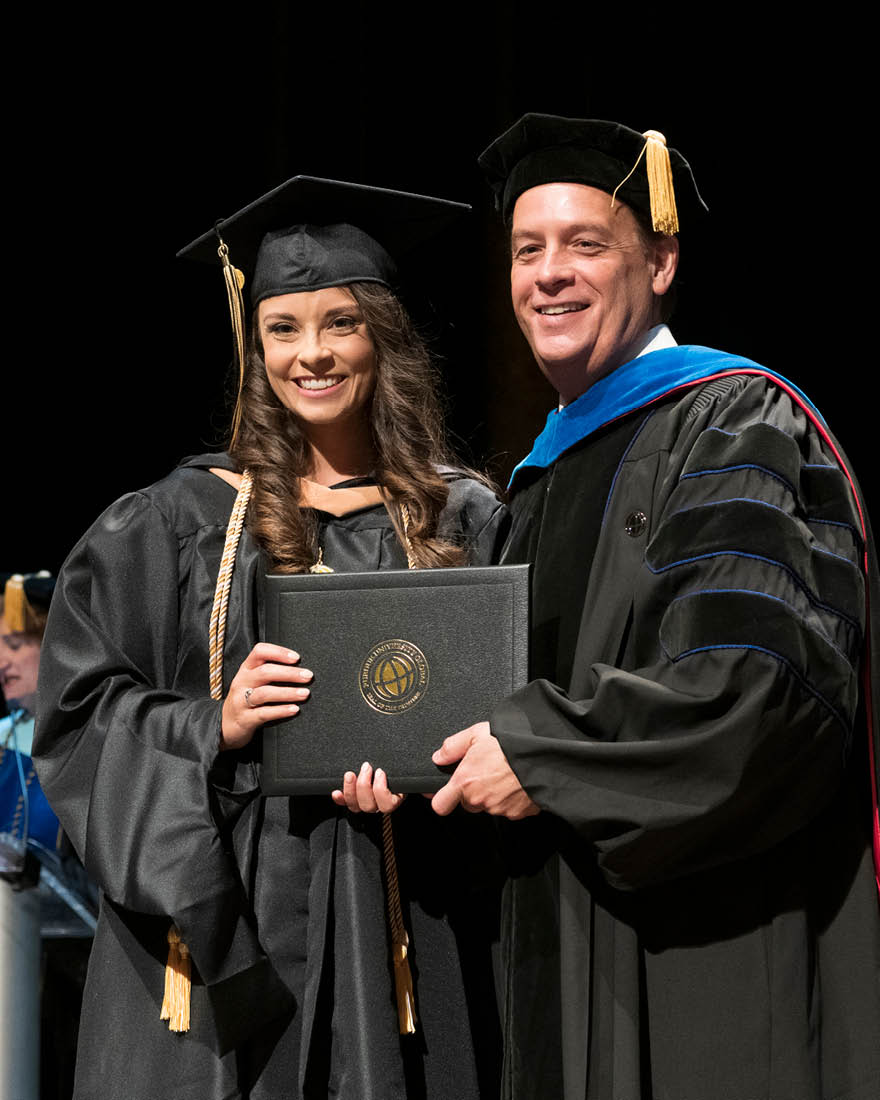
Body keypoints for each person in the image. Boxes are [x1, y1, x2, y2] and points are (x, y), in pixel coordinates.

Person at [431, 115, 880, 1100]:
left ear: (661, 259)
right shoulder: (530, 488)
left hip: (703, 960)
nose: (549, 273)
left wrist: (545, 753)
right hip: (560, 967)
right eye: (526, 249)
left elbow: (762, 687)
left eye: (584, 244)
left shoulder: (730, 421)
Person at [34, 177, 507, 1100]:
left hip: (406, 909)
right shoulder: (178, 523)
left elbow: (514, 721)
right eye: (283, 329)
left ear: (385, 338)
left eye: (340, 323)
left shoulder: (465, 520)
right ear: (255, 348)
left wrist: (430, 775)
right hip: (229, 924)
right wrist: (217, 726)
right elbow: (80, 713)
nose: (312, 354)